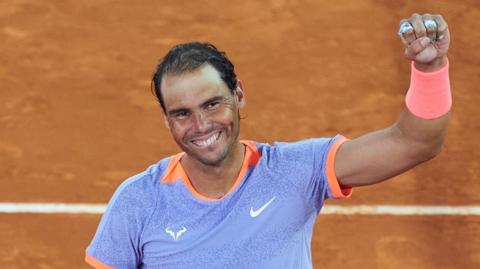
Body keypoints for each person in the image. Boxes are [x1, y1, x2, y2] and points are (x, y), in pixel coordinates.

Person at [85, 13, 451, 269]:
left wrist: (430, 70)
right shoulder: (138, 202)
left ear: (238, 95)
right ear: (167, 120)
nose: (200, 125)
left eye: (213, 104)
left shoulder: (295, 172)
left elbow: (414, 142)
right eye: (182, 113)